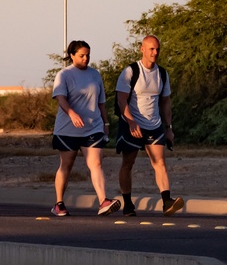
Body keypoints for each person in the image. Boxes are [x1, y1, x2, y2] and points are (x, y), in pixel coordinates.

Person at [50, 40, 121, 217]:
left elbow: (101, 102)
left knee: (96, 163)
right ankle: (59, 203)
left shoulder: (95, 75)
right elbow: (60, 98)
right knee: (66, 164)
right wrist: (72, 114)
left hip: (93, 127)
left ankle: (103, 201)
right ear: (72, 55)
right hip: (68, 130)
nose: (85, 58)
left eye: (88, 55)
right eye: (81, 55)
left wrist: (105, 124)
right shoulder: (64, 75)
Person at [115, 34, 184, 216]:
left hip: (154, 125)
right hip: (132, 123)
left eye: (157, 49)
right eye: (151, 49)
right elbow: (121, 100)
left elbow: (166, 102)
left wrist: (169, 128)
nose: (155, 53)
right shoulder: (130, 71)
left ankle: (167, 202)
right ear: (142, 49)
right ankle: (128, 203)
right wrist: (131, 122)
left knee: (160, 162)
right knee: (128, 162)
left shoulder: (162, 73)